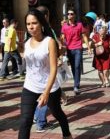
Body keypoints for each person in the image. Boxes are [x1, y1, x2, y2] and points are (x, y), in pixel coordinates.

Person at [18, 9, 72, 139]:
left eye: (34, 23)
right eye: (28, 24)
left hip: (50, 87)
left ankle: (67, 134)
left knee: (57, 113)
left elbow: (53, 68)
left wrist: (46, 93)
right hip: (30, 87)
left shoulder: (49, 42)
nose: (31, 27)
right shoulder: (26, 43)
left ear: (41, 23)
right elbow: (27, 59)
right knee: (25, 121)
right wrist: (19, 48)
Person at [61, 9, 91, 95]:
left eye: (71, 14)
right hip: (69, 49)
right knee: (73, 67)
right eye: (68, 14)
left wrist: (88, 48)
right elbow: (63, 37)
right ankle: (76, 82)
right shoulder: (64, 26)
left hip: (78, 48)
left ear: (74, 16)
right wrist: (62, 47)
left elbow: (84, 36)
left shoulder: (79, 25)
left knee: (77, 66)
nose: (70, 15)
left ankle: (76, 86)